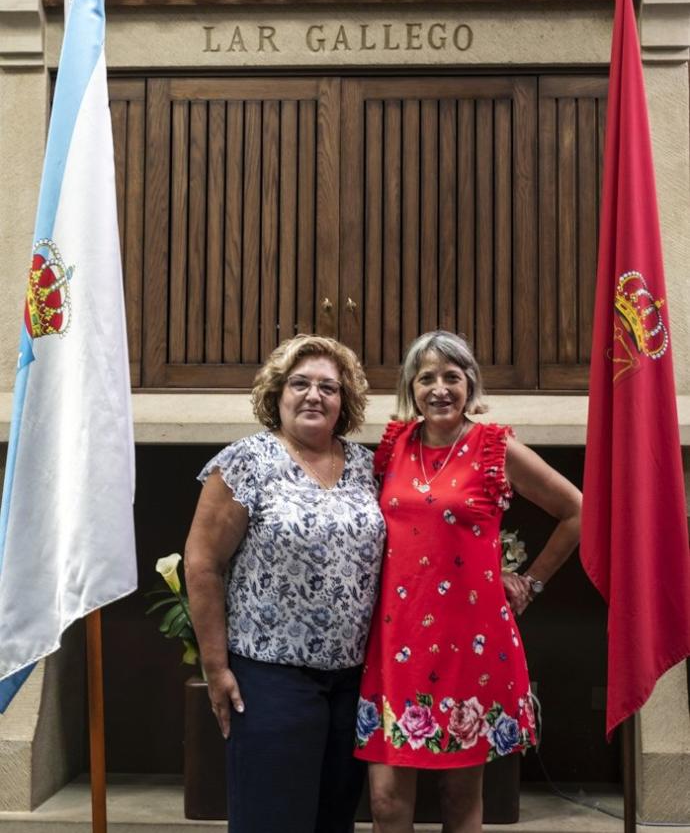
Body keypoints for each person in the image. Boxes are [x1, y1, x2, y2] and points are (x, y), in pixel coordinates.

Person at [355, 330, 582, 833]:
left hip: (466, 643)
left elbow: (578, 512)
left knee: (460, 797)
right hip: (395, 639)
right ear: (410, 387)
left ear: (470, 384)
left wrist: (530, 581)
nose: (440, 388)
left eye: (452, 377)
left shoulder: (496, 447)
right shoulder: (393, 447)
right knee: (387, 801)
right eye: (427, 377)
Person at [185, 335, 386, 833]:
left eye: (328, 387)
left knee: (334, 818)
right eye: (300, 384)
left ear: (346, 403)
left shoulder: (368, 467)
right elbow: (202, 564)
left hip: (353, 680)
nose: (314, 395)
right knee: (272, 820)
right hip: (270, 679)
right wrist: (215, 668)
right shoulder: (245, 463)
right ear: (278, 393)